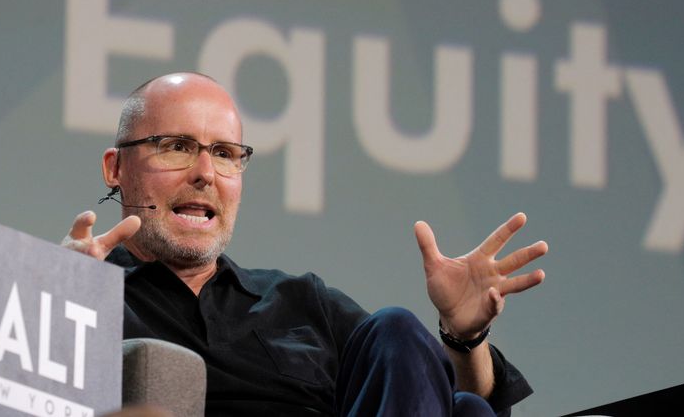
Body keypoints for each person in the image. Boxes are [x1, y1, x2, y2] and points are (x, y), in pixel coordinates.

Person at [63, 72, 548, 416]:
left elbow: (445, 398)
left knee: (414, 349)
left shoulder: (302, 303)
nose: (205, 173)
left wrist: (464, 340)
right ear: (115, 168)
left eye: (226, 154)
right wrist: (54, 298)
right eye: (177, 146)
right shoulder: (88, 293)